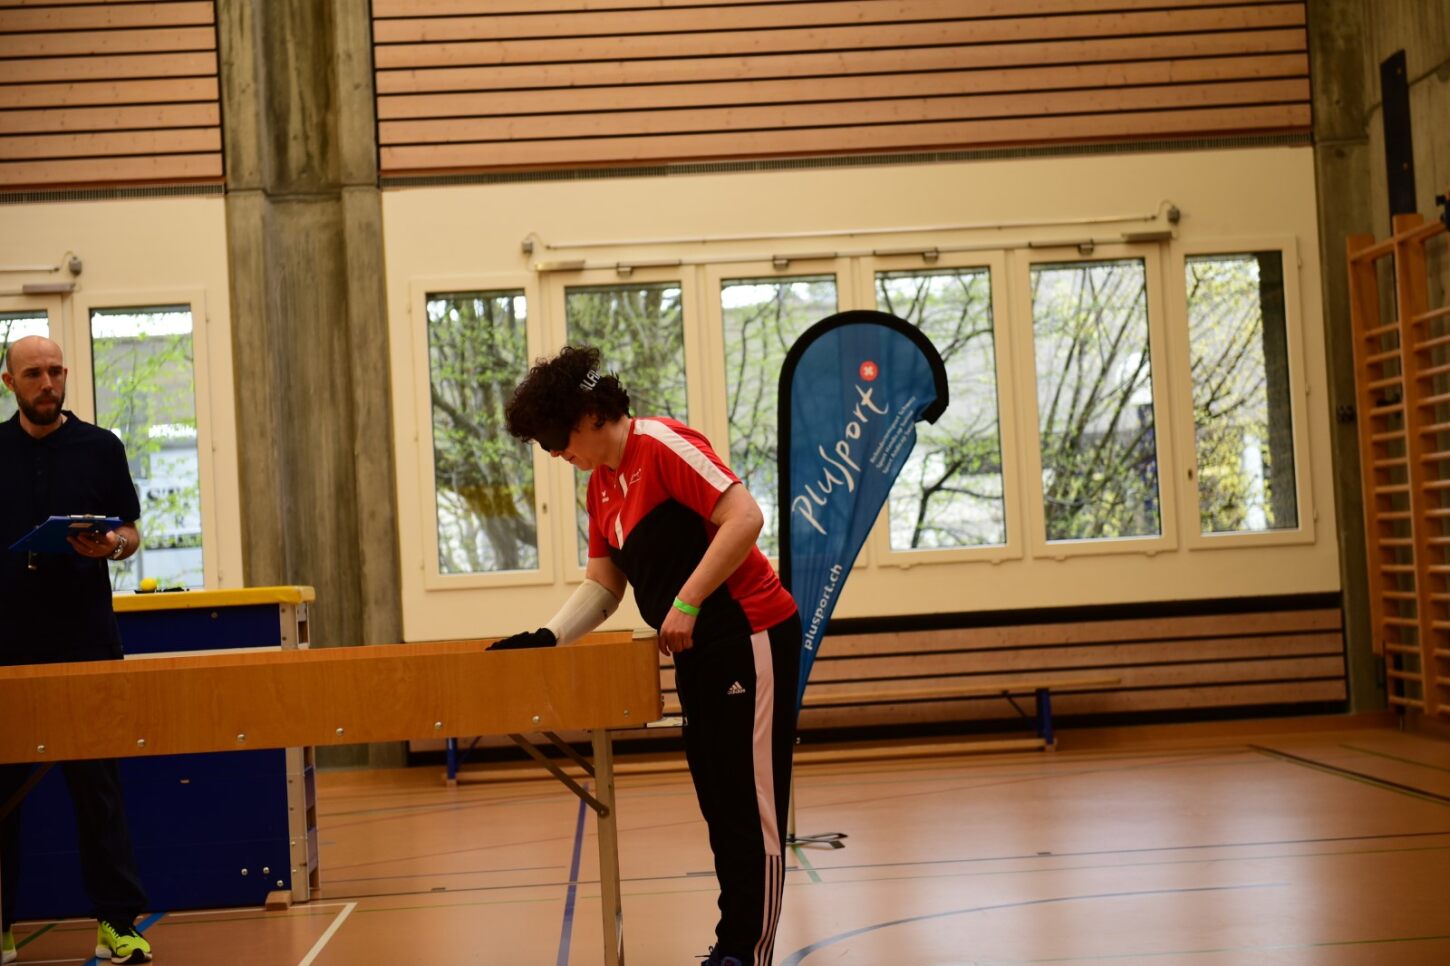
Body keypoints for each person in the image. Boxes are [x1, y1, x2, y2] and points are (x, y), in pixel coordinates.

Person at [495, 346, 802, 966]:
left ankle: (748, 953)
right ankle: (732, 945)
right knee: (719, 802)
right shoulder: (601, 489)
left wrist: (686, 601)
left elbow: (744, 516)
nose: (553, 454)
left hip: (750, 634)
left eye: (554, 438)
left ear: (588, 415)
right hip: (696, 650)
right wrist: (548, 637)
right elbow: (604, 587)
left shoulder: (661, 446)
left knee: (750, 806)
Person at [0, 336, 153, 965]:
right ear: (9, 382)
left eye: (55, 371)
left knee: (98, 789)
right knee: (2, 792)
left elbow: (130, 531)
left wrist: (111, 546)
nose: (48, 383)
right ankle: (1, 926)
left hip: (86, 639)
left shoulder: (101, 447)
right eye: (34, 373)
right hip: (7, 643)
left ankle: (117, 923)